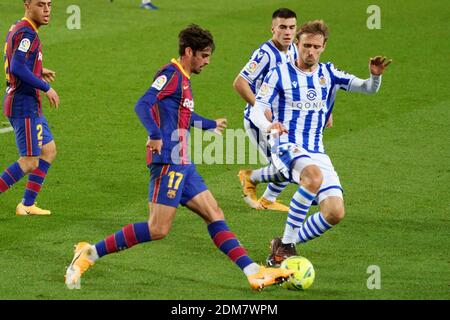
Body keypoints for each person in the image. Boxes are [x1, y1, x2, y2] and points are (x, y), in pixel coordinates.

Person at [64, 24, 293, 290]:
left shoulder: (183, 78)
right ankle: (88, 253)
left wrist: (208, 124)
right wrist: (154, 134)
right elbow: (143, 103)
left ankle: (254, 272)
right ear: (189, 51)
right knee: (158, 229)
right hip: (167, 160)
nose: (207, 62)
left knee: (214, 213)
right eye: (204, 55)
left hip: (183, 160)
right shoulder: (171, 74)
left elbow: (182, 113)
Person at [248, 20, 391, 266]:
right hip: (285, 143)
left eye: (316, 46)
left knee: (334, 212)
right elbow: (256, 111)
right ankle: (283, 252)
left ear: (324, 47)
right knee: (312, 178)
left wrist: (374, 77)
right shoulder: (279, 73)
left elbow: (368, 89)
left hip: (317, 150)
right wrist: (268, 126)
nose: (310, 51)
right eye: (306, 46)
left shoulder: (329, 73)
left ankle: (283, 243)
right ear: (297, 44)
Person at [234, 9, 333, 212]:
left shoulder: (295, 50)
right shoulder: (265, 54)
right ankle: (255, 182)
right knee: (286, 163)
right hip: (259, 121)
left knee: (290, 162)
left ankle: (269, 196)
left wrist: (324, 109)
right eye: (282, 27)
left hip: (285, 120)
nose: (287, 32)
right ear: (273, 29)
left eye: (291, 27)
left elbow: (310, 81)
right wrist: (261, 108)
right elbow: (240, 83)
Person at [0, 0, 60, 215]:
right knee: (29, 161)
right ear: (27, 5)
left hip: (28, 103)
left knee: (48, 150)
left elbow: (16, 59)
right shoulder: (28, 33)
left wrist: (37, 69)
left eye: (49, 4)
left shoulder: (19, 26)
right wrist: (46, 87)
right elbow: (16, 66)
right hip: (23, 104)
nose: (46, 10)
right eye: (40, 4)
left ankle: (27, 204)